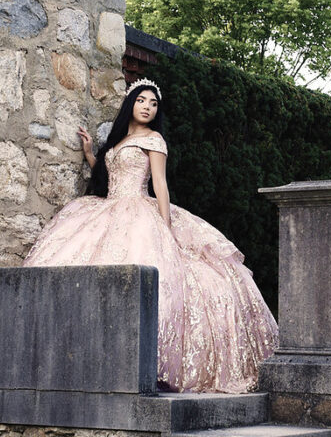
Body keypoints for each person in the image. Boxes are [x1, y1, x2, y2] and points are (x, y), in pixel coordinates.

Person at [23, 78, 278, 393]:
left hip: (140, 211)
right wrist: (90, 154)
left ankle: (146, 359)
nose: (147, 107)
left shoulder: (154, 139)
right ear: (130, 103)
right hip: (109, 208)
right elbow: (110, 176)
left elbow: (160, 184)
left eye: (153, 103)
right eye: (142, 100)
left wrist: (165, 227)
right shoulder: (119, 141)